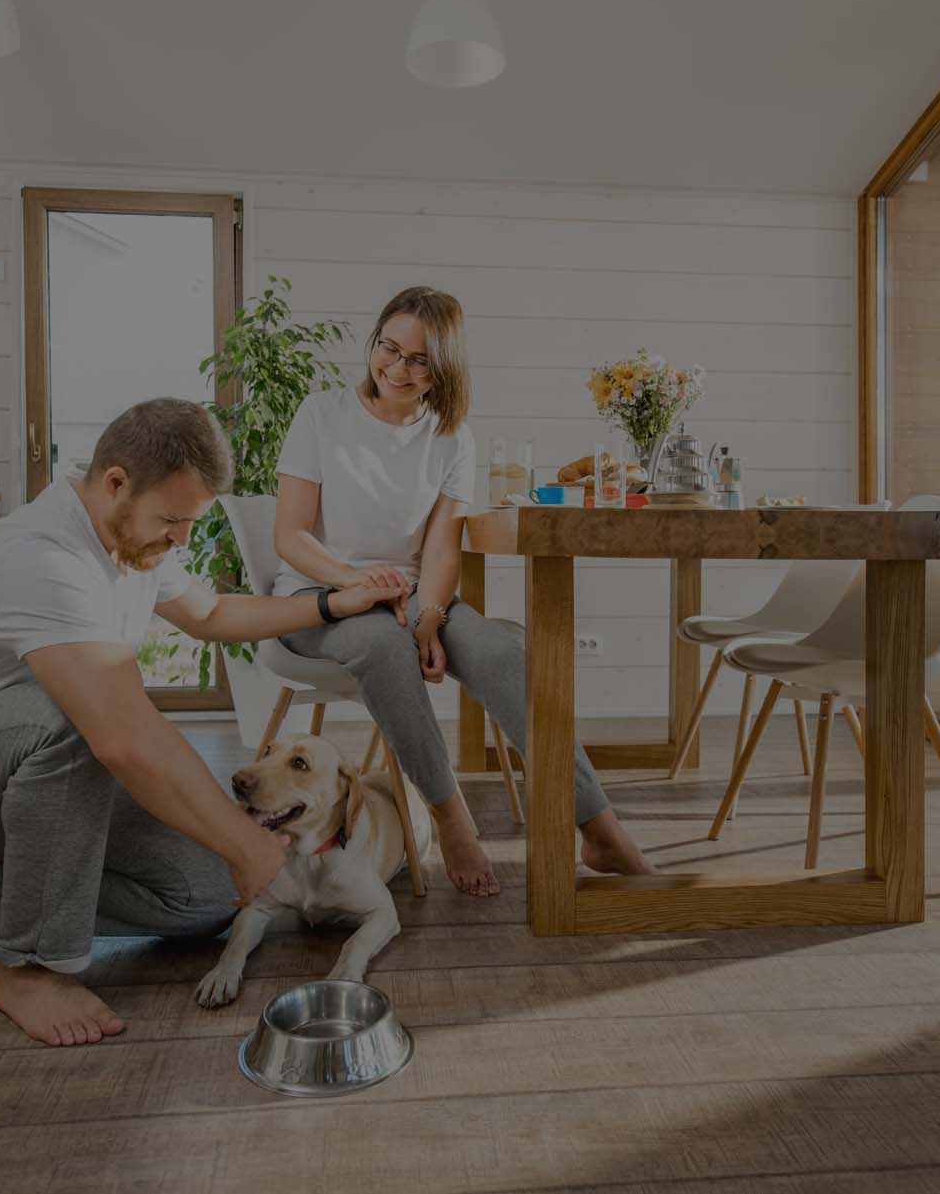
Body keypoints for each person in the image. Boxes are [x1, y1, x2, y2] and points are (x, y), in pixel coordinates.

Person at [0, 397, 402, 1047]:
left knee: (208, 893)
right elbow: (120, 734)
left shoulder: (132, 541)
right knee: (84, 716)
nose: (182, 540)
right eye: (174, 519)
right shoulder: (45, 558)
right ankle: (28, 965)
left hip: (19, 785)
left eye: (190, 522)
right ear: (115, 482)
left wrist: (336, 602)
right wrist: (245, 839)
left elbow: (215, 614)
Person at [273, 285, 655, 896]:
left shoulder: (452, 435)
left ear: (443, 368)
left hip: (412, 598)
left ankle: (600, 827)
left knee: (506, 653)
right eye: (388, 349)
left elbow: (443, 544)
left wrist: (428, 619)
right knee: (381, 644)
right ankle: (452, 818)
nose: (397, 369)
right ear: (374, 342)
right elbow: (290, 536)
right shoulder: (321, 415)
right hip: (320, 595)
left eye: (418, 360)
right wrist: (358, 581)